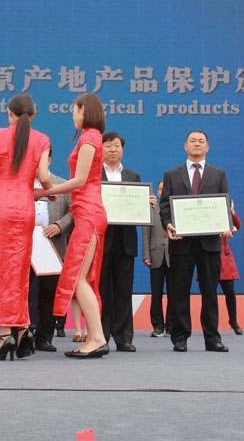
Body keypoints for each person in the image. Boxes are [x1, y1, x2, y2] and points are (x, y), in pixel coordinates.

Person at [35, 92, 109, 358]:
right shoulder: (90, 137)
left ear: (83, 110)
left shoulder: (89, 138)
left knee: (78, 277)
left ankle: (97, 338)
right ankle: (95, 336)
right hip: (86, 211)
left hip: (88, 212)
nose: (72, 115)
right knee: (83, 277)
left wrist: (45, 191)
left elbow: (79, 180)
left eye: (74, 111)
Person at [0, 93, 51, 361]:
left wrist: (0, 182)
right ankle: (22, 331)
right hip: (24, 208)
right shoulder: (42, 139)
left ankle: (5, 336)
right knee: (20, 272)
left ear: (9, 112)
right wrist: (47, 191)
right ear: (33, 115)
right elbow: (44, 176)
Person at [159, 130, 232, 353]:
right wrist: (168, 224)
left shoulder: (219, 174)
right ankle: (180, 337)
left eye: (201, 141)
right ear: (185, 146)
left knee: (210, 292)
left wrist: (226, 224)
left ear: (207, 147)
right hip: (181, 243)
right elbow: (164, 206)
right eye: (193, 141)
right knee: (179, 292)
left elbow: (225, 204)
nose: (197, 144)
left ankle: (212, 338)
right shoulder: (172, 174)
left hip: (209, 244)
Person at [100, 131, 142, 352]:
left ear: (122, 149)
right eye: (108, 145)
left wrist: (145, 204)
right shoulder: (94, 174)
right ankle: (101, 335)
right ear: (101, 149)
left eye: (116, 145)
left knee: (124, 291)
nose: (113, 149)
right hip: (102, 239)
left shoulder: (133, 176)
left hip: (126, 241)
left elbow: (138, 208)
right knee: (102, 290)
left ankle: (124, 337)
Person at [30, 147, 74, 353]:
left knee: (48, 294)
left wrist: (59, 226)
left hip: (52, 245)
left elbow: (73, 212)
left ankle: (44, 337)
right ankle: (19, 334)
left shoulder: (62, 184)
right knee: (22, 292)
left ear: (48, 161)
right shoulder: (20, 184)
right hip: (24, 245)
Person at [142, 180, 171, 337]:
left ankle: (172, 326)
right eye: (160, 189)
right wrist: (146, 254)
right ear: (158, 193)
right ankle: (158, 326)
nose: (163, 191)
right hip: (156, 256)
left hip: (174, 256)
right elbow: (146, 233)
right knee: (156, 293)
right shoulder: (151, 208)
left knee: (174, 293)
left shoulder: (176, 208)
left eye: (166, 189)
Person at [219, 199, 243, 335]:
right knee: (209, 294)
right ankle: (211, 323)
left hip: (225, 258)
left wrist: (232, 211)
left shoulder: (227, 214)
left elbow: (238, 225)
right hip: (208, 257)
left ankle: (233, 321)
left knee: (230, 292)